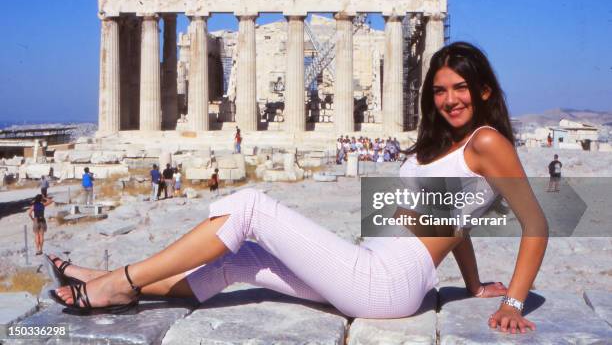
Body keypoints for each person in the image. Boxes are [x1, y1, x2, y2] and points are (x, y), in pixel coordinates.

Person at [50, 42, 547, 336]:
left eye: (461, 88)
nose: (449, 99)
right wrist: (477, 286)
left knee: (250, 207)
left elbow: (536, 224)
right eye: (440, 90)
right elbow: (456, 223)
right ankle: (111, 281)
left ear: (483, 91)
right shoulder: (448, 143)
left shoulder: (487, 141)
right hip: (375, 272)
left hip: (385, 280)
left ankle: (120, 283)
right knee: (240, 260)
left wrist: (514, 302)